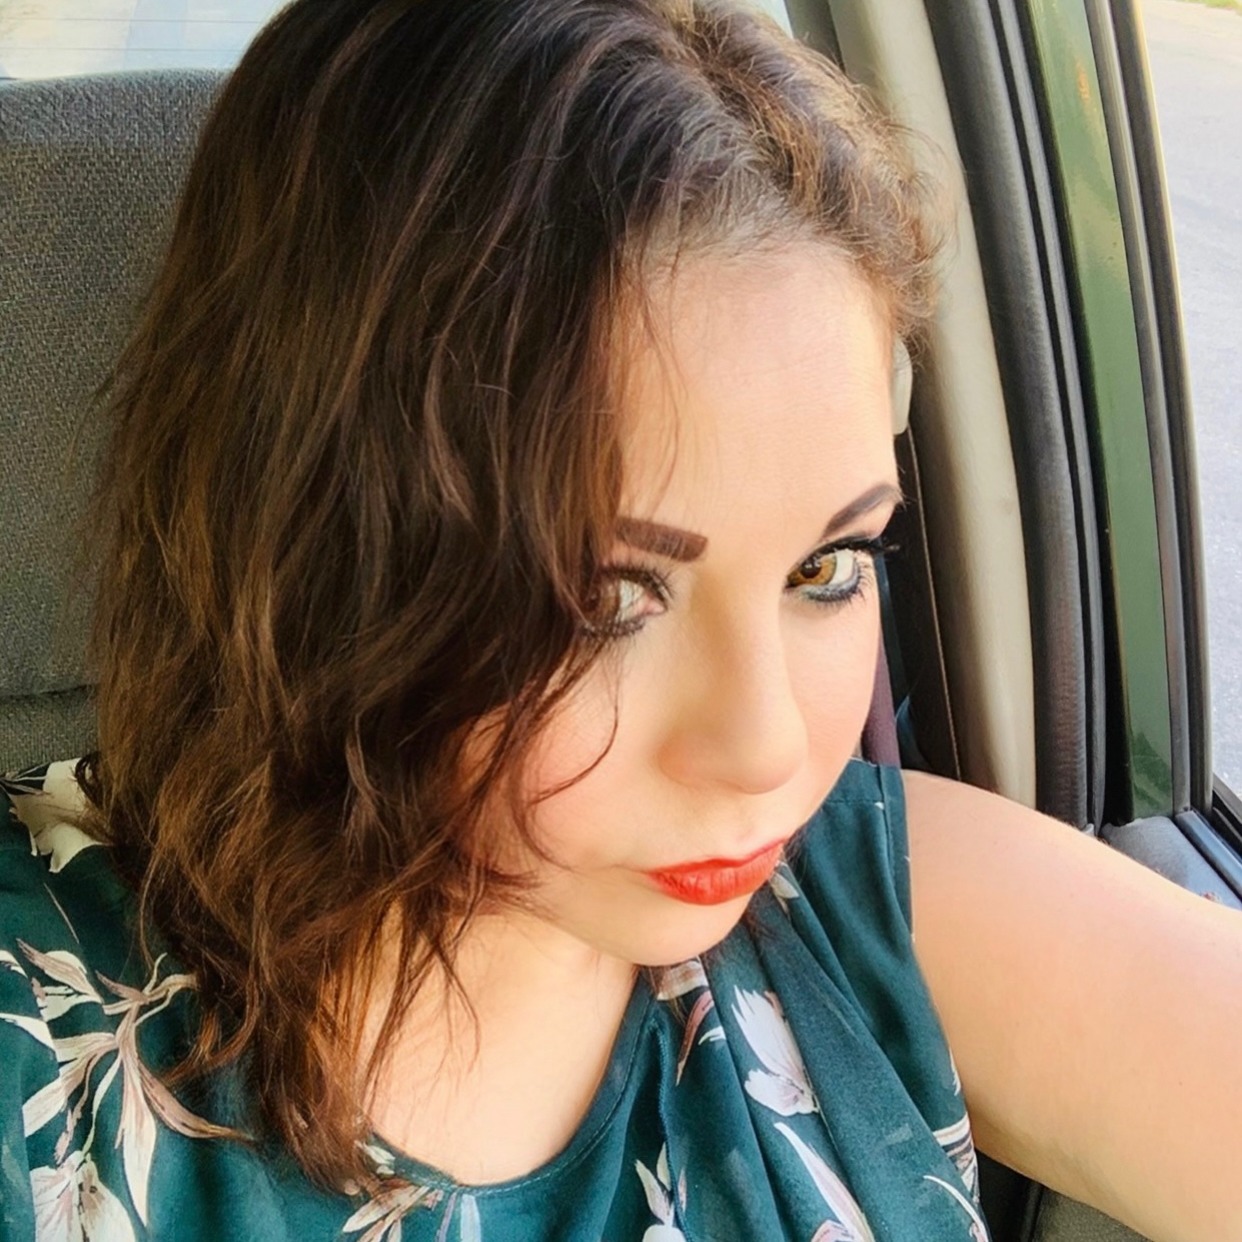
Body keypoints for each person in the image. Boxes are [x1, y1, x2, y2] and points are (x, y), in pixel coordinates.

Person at [1, 0, 1238, 1238]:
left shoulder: (875, 900)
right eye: (603, 598)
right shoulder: (34, 1026)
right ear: (317, 543)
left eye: (826, 567)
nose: (766, 752)